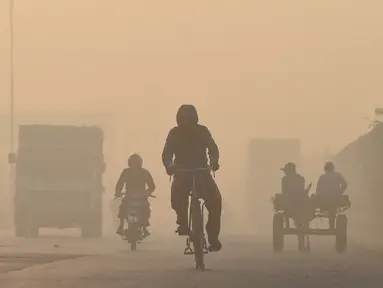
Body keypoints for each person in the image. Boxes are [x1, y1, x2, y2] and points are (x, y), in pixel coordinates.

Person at [162, 104, 222, 252]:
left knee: (215, 201)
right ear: (179, 119)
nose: (187, 121)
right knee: (177, 197)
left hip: (202, 172)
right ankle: (182, 222)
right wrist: (169, 166)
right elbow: (167, 153)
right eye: (184, 118)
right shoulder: (174, 133)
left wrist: (214, 162)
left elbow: (213, 149)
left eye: (189, 118)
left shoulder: (202, 131)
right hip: (182, 171)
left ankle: (213, 237)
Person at [114, 153, 155, 237]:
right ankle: (143, 228)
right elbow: (152, 186)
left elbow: (119, 184)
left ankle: (121, 226)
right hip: (137, 197)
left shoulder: (127, 172)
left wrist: (118, 192)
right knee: (144, 209)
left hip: (132, 196)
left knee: (124, 208)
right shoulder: (143, 172)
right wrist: (147, 193)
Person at [315, 161, 347, 229]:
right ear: (333, 168)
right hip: (335, 198)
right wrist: (340, 191)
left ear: (325, 168)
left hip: (323, 200)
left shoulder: (322, 177)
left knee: (330, 209)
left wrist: (318, 196)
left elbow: (318, 189)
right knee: (333, 210)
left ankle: (331, 224)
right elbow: (344, 184)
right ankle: (331, 226)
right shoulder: (338, 175)